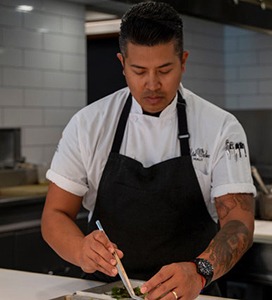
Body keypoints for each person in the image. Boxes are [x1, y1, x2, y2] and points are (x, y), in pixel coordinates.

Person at [41, 1, 256, 299]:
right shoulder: (88, 124)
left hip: (191, 292)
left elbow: (238, 223)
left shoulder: (220, 127)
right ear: (122, 64)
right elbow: (55, 214)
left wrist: (200, 271)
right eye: (139, 71)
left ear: (183, 61)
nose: (152, 84)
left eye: (164, 70)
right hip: (104, 291)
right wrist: (80, 250)